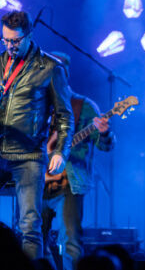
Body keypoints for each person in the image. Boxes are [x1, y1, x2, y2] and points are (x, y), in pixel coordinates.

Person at [0, 10, 74, 259]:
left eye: (15, 41)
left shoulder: (51, 67)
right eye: (5, 40)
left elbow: (65, 115)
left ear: (29, 36)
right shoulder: (0, 62)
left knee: (29, 226)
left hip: (28, 155)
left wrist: (62, 151)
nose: (9, 46)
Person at [41, 52, 116, 270]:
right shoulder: (36, 105)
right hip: (37, 183)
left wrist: (103, 132)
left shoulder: (83, 106)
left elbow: (106, 146)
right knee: (33, 240)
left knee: (71, 243)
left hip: (69, 185)